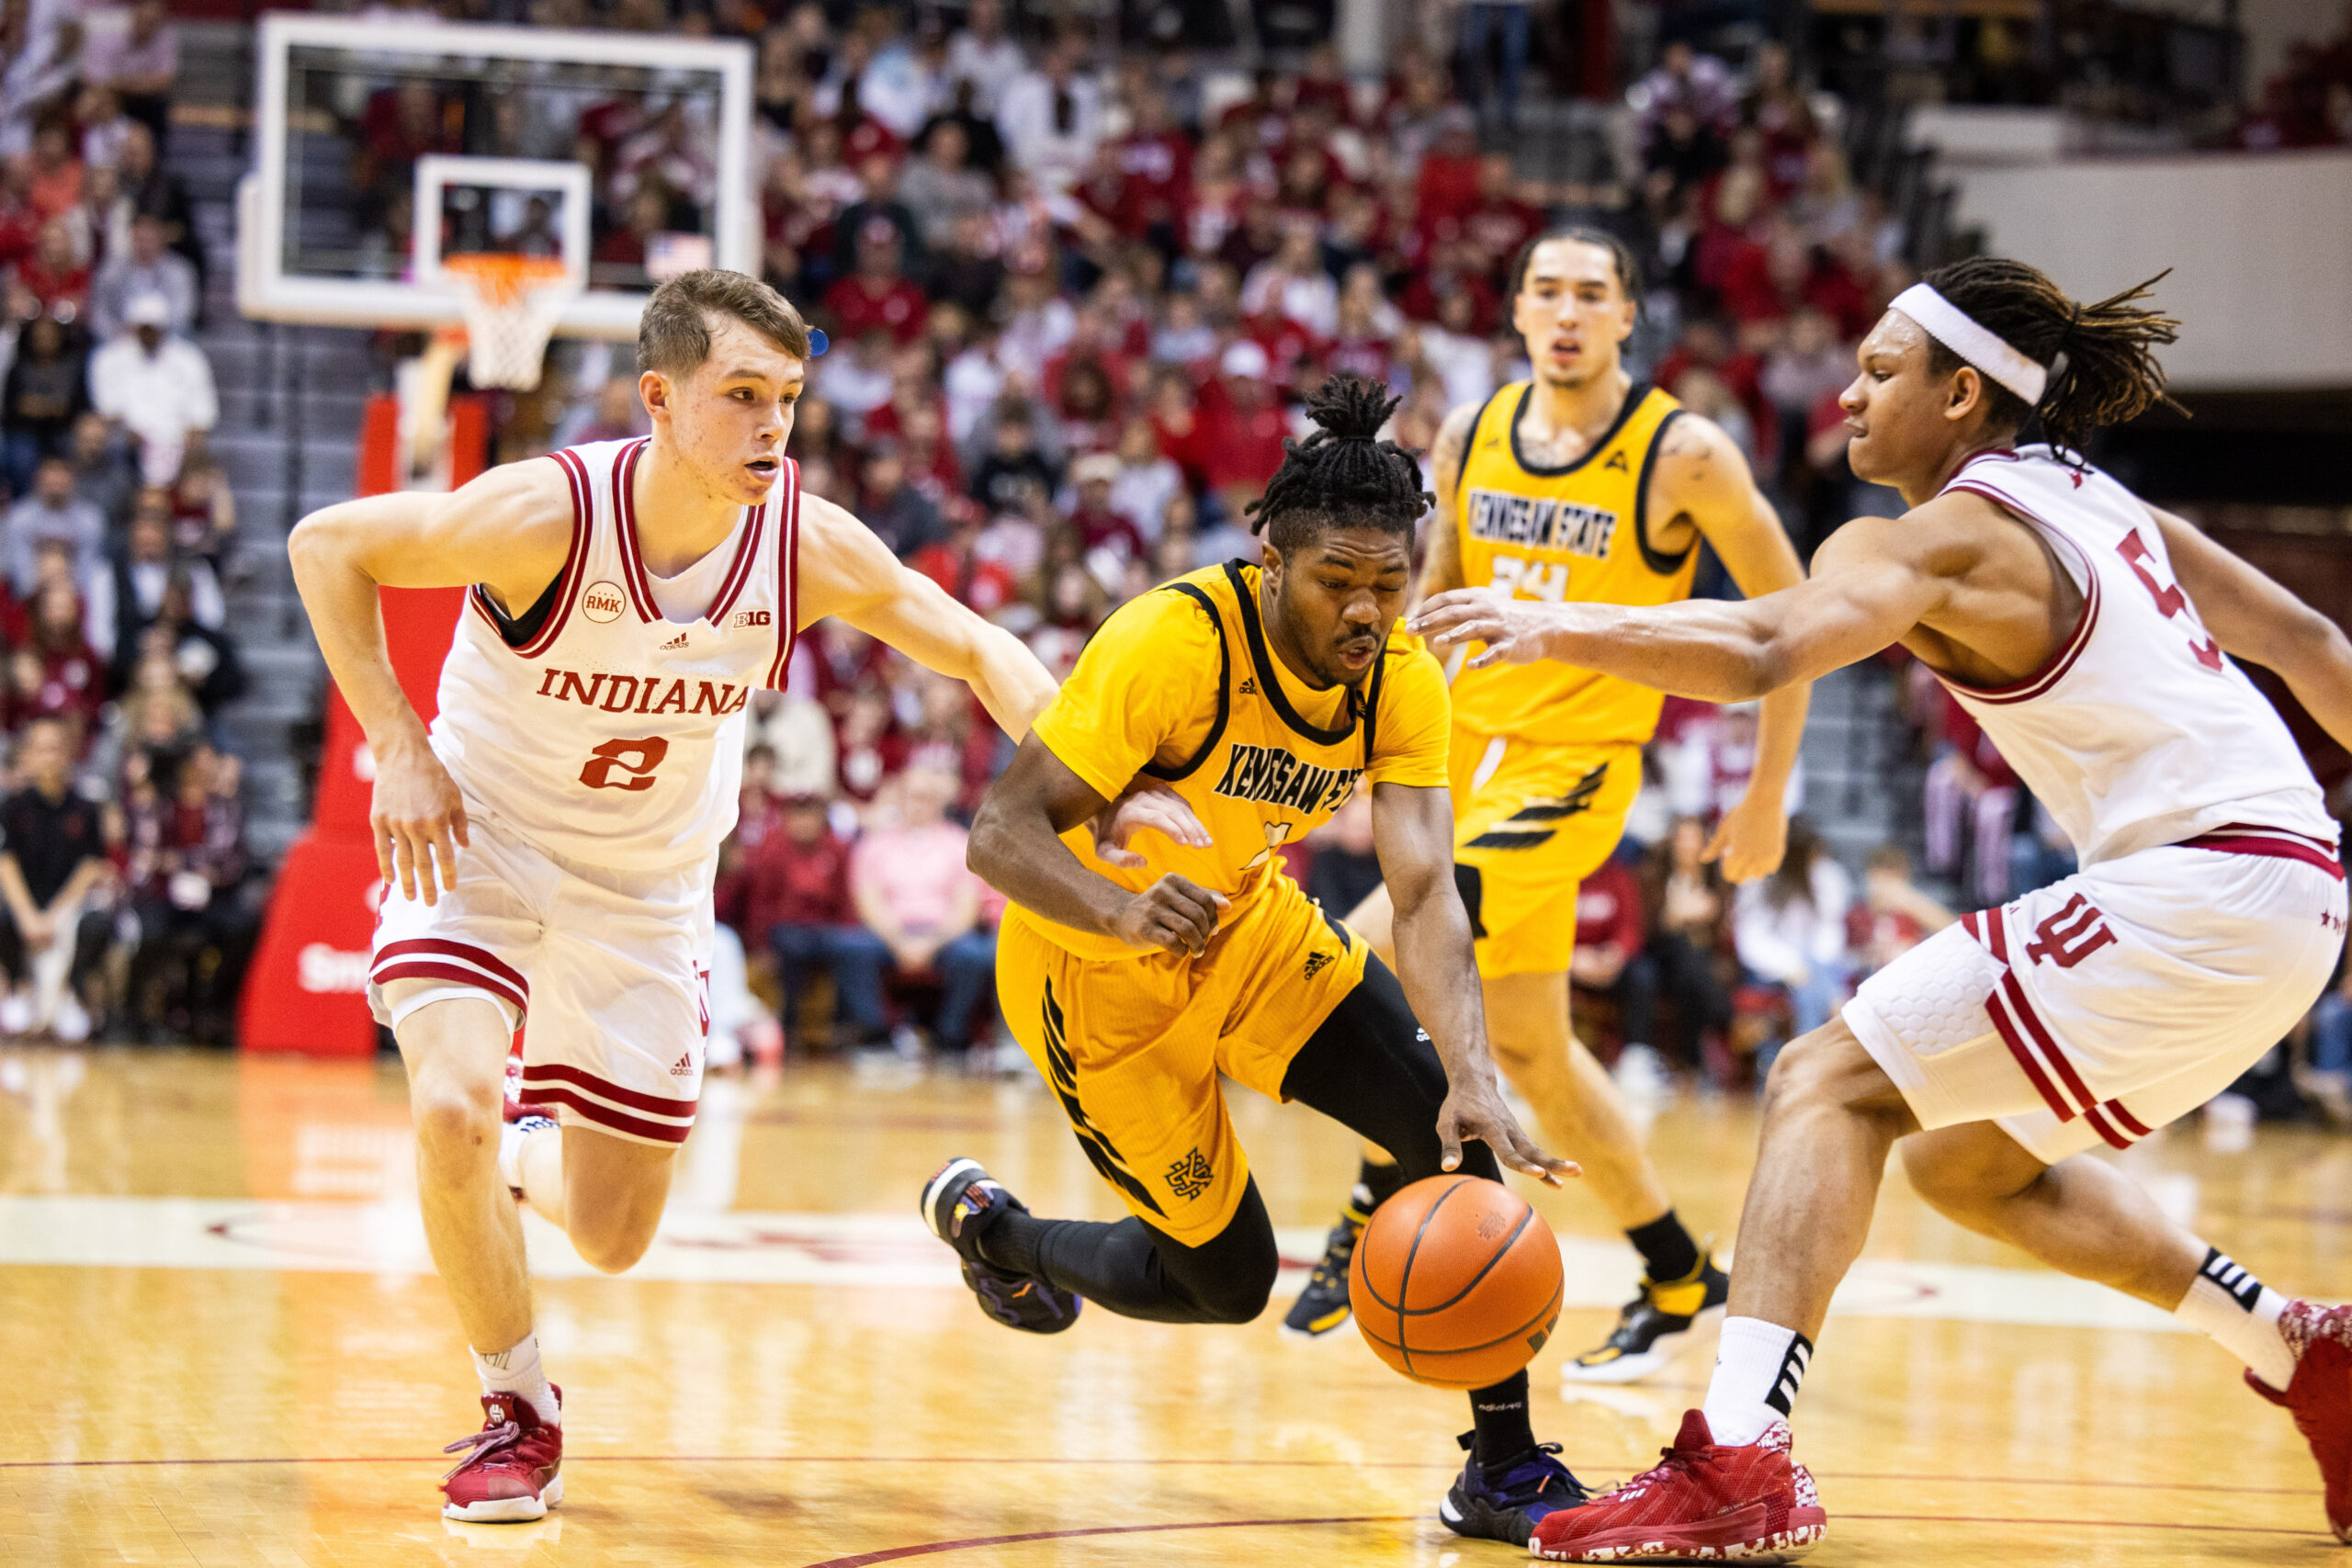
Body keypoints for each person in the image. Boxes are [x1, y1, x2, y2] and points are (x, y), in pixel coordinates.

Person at [1409, 257, 2352, 1560]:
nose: (1845, 391)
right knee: (1962, 1156)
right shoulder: (2102, 501)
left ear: (1963, 394)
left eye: (1881, 369)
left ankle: (1741, 1458)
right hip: (2288, 887)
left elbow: (1754, 649)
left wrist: (1553, 624)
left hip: (2204, 881)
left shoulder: (1946, 534)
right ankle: (2296, 1344)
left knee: (1823, 1080)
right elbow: (2314, 644)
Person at [286, 271, 1060, 1525]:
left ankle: (531, 1155)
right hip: (476, 844)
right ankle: (516, 1405)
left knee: (611, 1233)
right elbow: (330, 546)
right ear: (659, 396)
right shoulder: (549, 510)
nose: (773, 426)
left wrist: (1102, 778)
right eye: (741, 395)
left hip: (645, 889)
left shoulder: (802, 538)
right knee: (449, 1104)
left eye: (790, 399)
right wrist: (400, 744)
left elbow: (971, 642)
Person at [923, 375, 1585, 1551]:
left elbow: (1425, 888)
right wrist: (1119, 915)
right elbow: (1000, 834)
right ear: (1271, 561)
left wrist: (1477, 1066)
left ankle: (1502, 1466)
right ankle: (999, 1236)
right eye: (1338, 582)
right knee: (1221, 1285)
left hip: (1249, 933)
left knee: (1454, 1125)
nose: (1367, 613)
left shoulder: (1400, 681)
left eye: (1390, 583)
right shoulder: (1172, 646)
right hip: (1097, 979)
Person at [1286, 230, 1812, 1391]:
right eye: (1545, 292)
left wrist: (1767, 790)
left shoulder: (1683, 452)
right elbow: (1432, 600)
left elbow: (1795, 617)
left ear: (1628, 316)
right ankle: (1679, 1274)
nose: (1566, 313)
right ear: (1517, 312)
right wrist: (1369, 729)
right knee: (1533, 1050)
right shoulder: (1476, 431)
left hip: (1572, 769)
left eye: (1591, 294)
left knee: (1369, 947)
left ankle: (1373, 1196)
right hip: (1467, 755)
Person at [0, 716, 114, 1042]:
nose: (50, 757)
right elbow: (6, 862)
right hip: (27, 906)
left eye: (56, 748)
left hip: (69, 909)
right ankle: (20, 985)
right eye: (42, 749)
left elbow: (92, 865)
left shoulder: (87, 807)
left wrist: (55, 915)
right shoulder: (13, 806)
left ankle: (72, 990)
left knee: (99, 923)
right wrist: (28, 916)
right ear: (29, 755)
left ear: (69, 753)